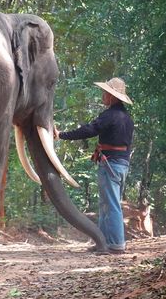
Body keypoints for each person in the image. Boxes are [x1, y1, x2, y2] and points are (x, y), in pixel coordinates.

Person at [54, 77, 134, 254]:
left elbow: (89, 130)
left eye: (105, 93)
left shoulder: (110, 115)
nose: (103, 95)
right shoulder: (127, 118)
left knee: (111, 204)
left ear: (113, 97)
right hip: (121, 164)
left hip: (110, 164)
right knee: (106, 204)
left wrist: (62, 135)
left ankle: (115, 244)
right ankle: (103, 242)